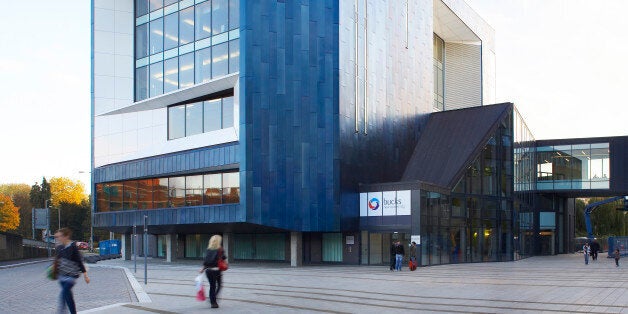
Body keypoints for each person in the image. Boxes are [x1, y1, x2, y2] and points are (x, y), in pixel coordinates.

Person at [55, 228, 89, 314]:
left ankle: (60, 312)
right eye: (58, 237)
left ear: (66, 236)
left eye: (60, 236)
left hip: (71, 276)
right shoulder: (59, 247)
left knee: (64, 293)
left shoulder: (73, 247)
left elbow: (79, 261)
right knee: (68, 296)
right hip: (61, 276)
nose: (59, 238)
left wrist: (85, 275)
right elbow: (57, 261)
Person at [201, 235, 226, 308]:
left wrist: (203, 269)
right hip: (216, 270)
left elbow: (206, 261)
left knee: (212, 286)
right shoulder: (220, 249)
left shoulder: (208, 249)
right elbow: (224, 258)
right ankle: (213, 299)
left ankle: (213, 302)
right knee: (219, 285)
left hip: (208, 271)